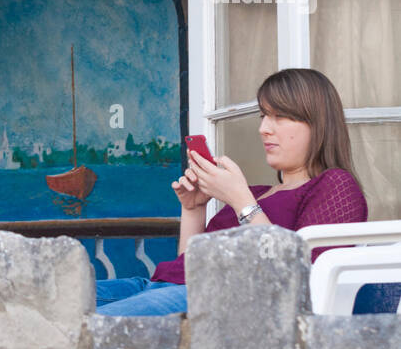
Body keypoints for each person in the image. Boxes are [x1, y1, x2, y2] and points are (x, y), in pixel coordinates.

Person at [95, 68, 368, 316]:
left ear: (317, 123)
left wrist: (241, 201)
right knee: (54, 305)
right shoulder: (257, 193)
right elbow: (189, 264)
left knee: (90, 330)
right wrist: (193, 209)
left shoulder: (335, 185)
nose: (263, 129)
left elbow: (299, 284)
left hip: (214, 298)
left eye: (280, 117)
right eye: (263, 116)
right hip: (159, 285)